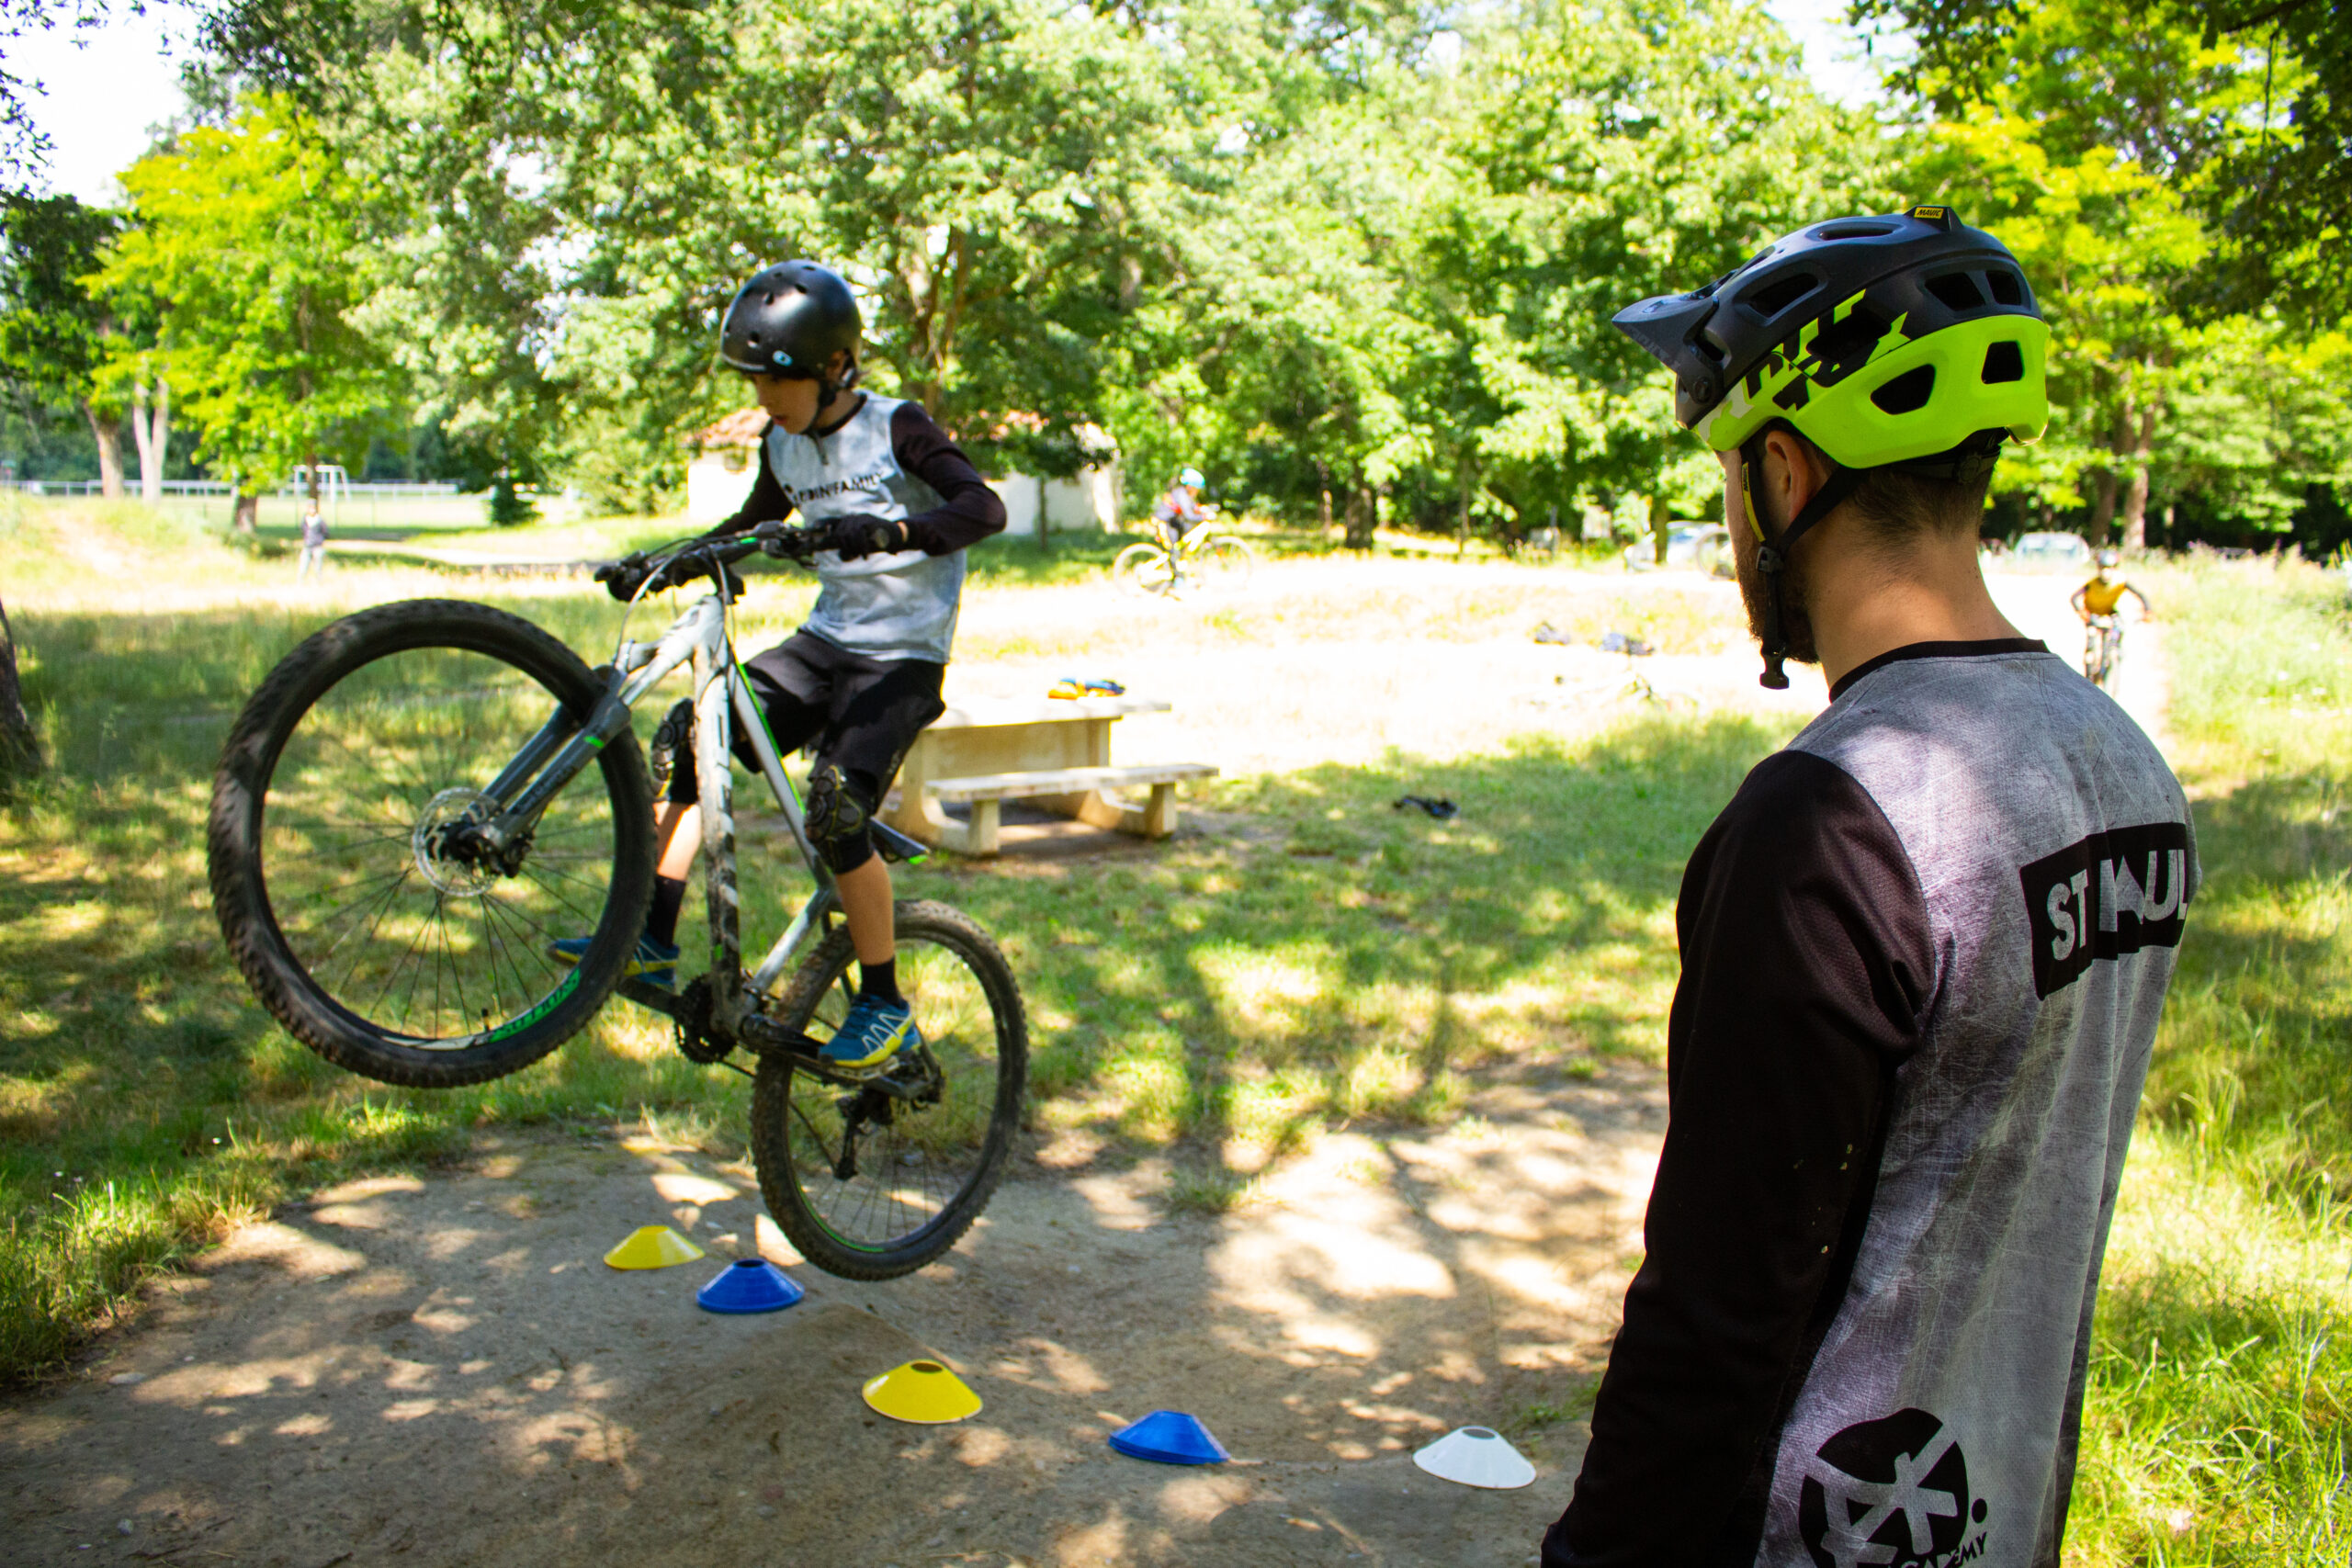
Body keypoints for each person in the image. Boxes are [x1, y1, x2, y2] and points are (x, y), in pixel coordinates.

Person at [1547, 206, 2198, 1568]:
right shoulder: (2123, 762)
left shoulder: (1833, 818)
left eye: (1732, 474)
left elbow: (1716, 1318)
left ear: (1785, 473)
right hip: (2005, 1504)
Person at [553, 260, 1004, 1069]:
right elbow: (750, 523)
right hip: (826, 642)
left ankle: (884, 1003)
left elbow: (982, 507)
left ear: (834, 369)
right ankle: (648, 936)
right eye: (754, 382)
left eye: (777, 382)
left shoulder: (896, 427)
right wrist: (665, 562)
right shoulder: (784, 446)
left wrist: (894, 532)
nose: (764, 398)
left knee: (836, 809)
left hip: (901, 657)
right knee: (695, 735)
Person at [2072, 547, 2152, 674]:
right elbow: (2075, 597)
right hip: (2092, 614)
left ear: (2115, 568)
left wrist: (2148, 611)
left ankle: (2116, 649)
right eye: (2102, 567)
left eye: (2109, 568)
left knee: (2119, 626)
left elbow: (2140, 594)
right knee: (2091, 641)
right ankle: (2089, 668)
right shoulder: (2092, 584)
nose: (2105, 572)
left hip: (2109, 612)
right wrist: (2081, 611)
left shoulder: (2120, 582)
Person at [1150, 467, 1206, 547]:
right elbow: (1189, 515)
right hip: (1164, 522)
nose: (1197, 492)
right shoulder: (1182, 495)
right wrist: (1203, 517)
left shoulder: (1183, 493)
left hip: (1171, 522)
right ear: (1190, 486)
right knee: (1174, 550)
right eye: (1196, 489)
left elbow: (1193, 507)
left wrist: (1203, 510)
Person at [296, 501, 328, 579]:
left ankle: (318, 582)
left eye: (313, 508)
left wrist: (319, 540)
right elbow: (303, 531)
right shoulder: (305, 520)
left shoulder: (320, 520)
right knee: (303, 565)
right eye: (310, 508)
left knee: (318, 566)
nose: (312, 510)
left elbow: (325, 532)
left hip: (317, 546)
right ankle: (300, 582)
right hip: (307, 546)